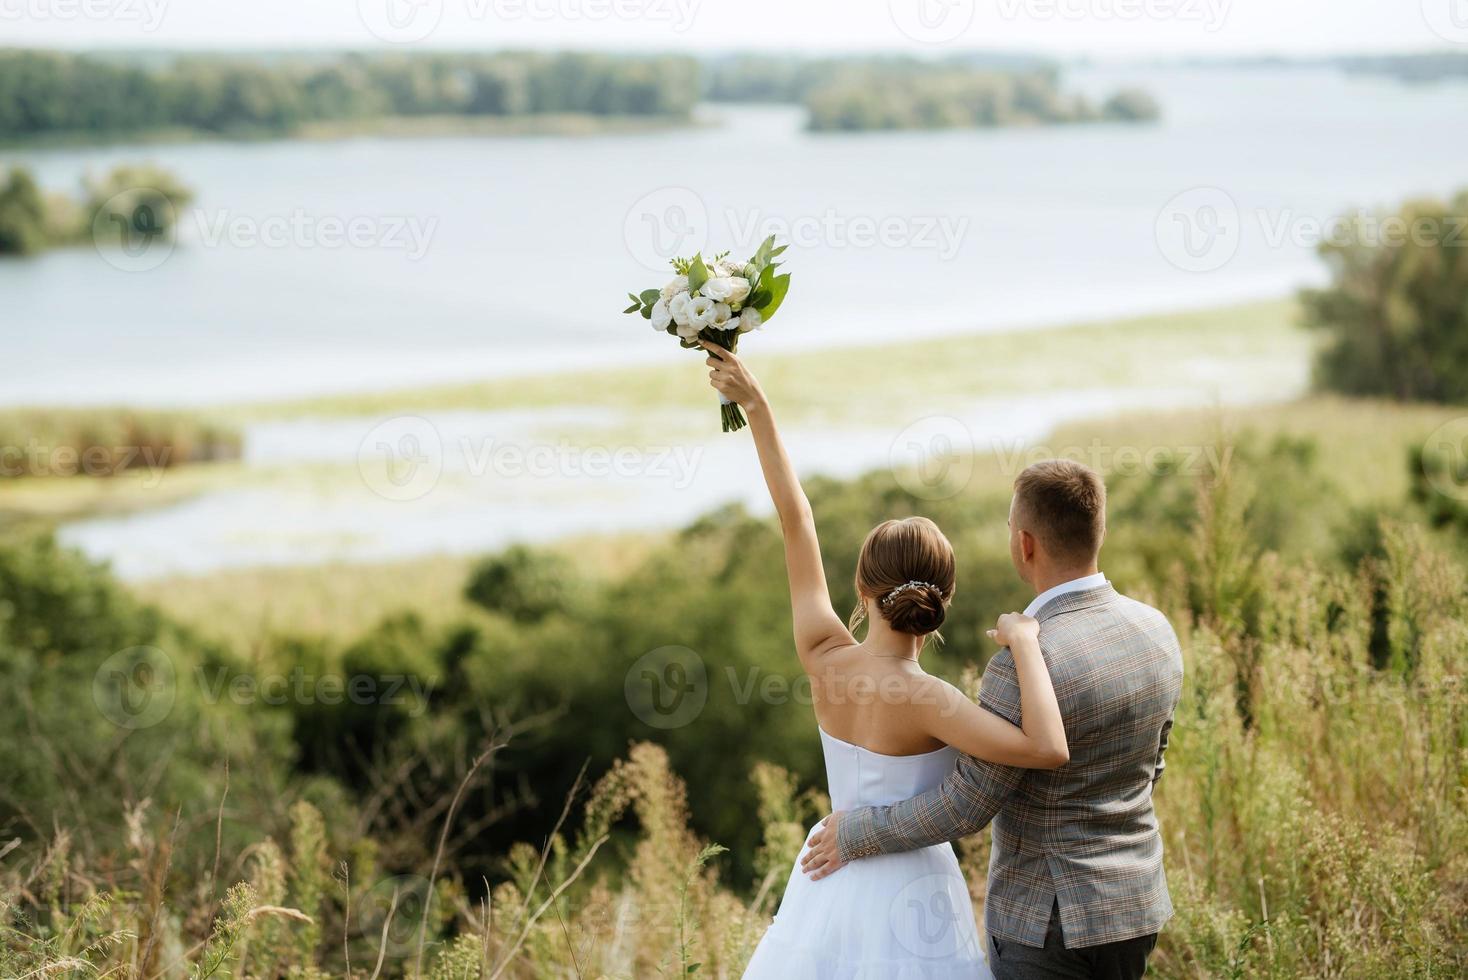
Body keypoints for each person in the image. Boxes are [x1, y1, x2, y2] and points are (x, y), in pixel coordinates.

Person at [702, 341, 1071, 979]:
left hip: (827, 881)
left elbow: (797, 519)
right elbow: (1047, 748)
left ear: (863, 590)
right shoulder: (933, 702)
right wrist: (1029, 643)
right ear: (944, 599)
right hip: (917, 894)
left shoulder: (824, 657)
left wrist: (756, 404)